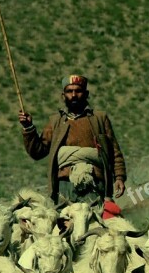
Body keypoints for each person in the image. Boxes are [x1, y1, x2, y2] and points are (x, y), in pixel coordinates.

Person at [18, 74, 126, 204]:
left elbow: (114, 150)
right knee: (65, 222)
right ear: (63, 96)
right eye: (69, 91)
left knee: (97, 221)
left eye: (78, 91)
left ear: (86, 94)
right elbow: (37, 152)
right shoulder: (56, 121)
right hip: (64, 185)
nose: (74, 95)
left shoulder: (99, 118)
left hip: (95, 183)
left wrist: (119, 177)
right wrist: (28, 128)